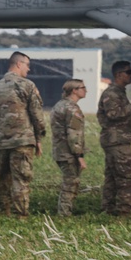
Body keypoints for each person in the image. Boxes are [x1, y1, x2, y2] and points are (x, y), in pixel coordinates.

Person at [0, 52, 46, 218]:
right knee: (21, 178)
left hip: (2, 142)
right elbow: (37, 115)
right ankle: (20, 214)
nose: (29, 68)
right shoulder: (27, 85)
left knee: (3, 178)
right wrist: (39, 138)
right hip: (22, 140)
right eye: (27, 64)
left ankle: (3, 211)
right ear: (19, 64)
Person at [98, 61, 131, 217]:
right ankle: (124, 210)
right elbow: (113, 114)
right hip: (116, 140)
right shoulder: (111, 93)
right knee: (127, 176)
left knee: (112, 176)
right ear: (119, 74)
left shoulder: (119, 92)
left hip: (116, 139)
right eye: (128, 72)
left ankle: (108, 209)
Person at [50, 78, 88, 216]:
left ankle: (65, 212)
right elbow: (74, 134)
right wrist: (79, 156)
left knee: (69, 181)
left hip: (59, 150)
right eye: (82, 88)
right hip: (69, 153)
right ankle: (64, 214)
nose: (86, 90)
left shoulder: (59, 105)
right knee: (71, 183)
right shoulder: (72, 109)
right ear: (74, 90)